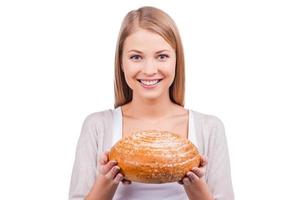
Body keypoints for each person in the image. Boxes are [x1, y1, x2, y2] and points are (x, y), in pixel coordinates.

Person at [69, 6, 234, 200]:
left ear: (176, 60)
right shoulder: (98, 126)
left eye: (162, 56)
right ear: (121, 62)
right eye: (136, 57)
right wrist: (106, 183)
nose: (149, 70)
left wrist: (196, 188)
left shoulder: (209, 128)